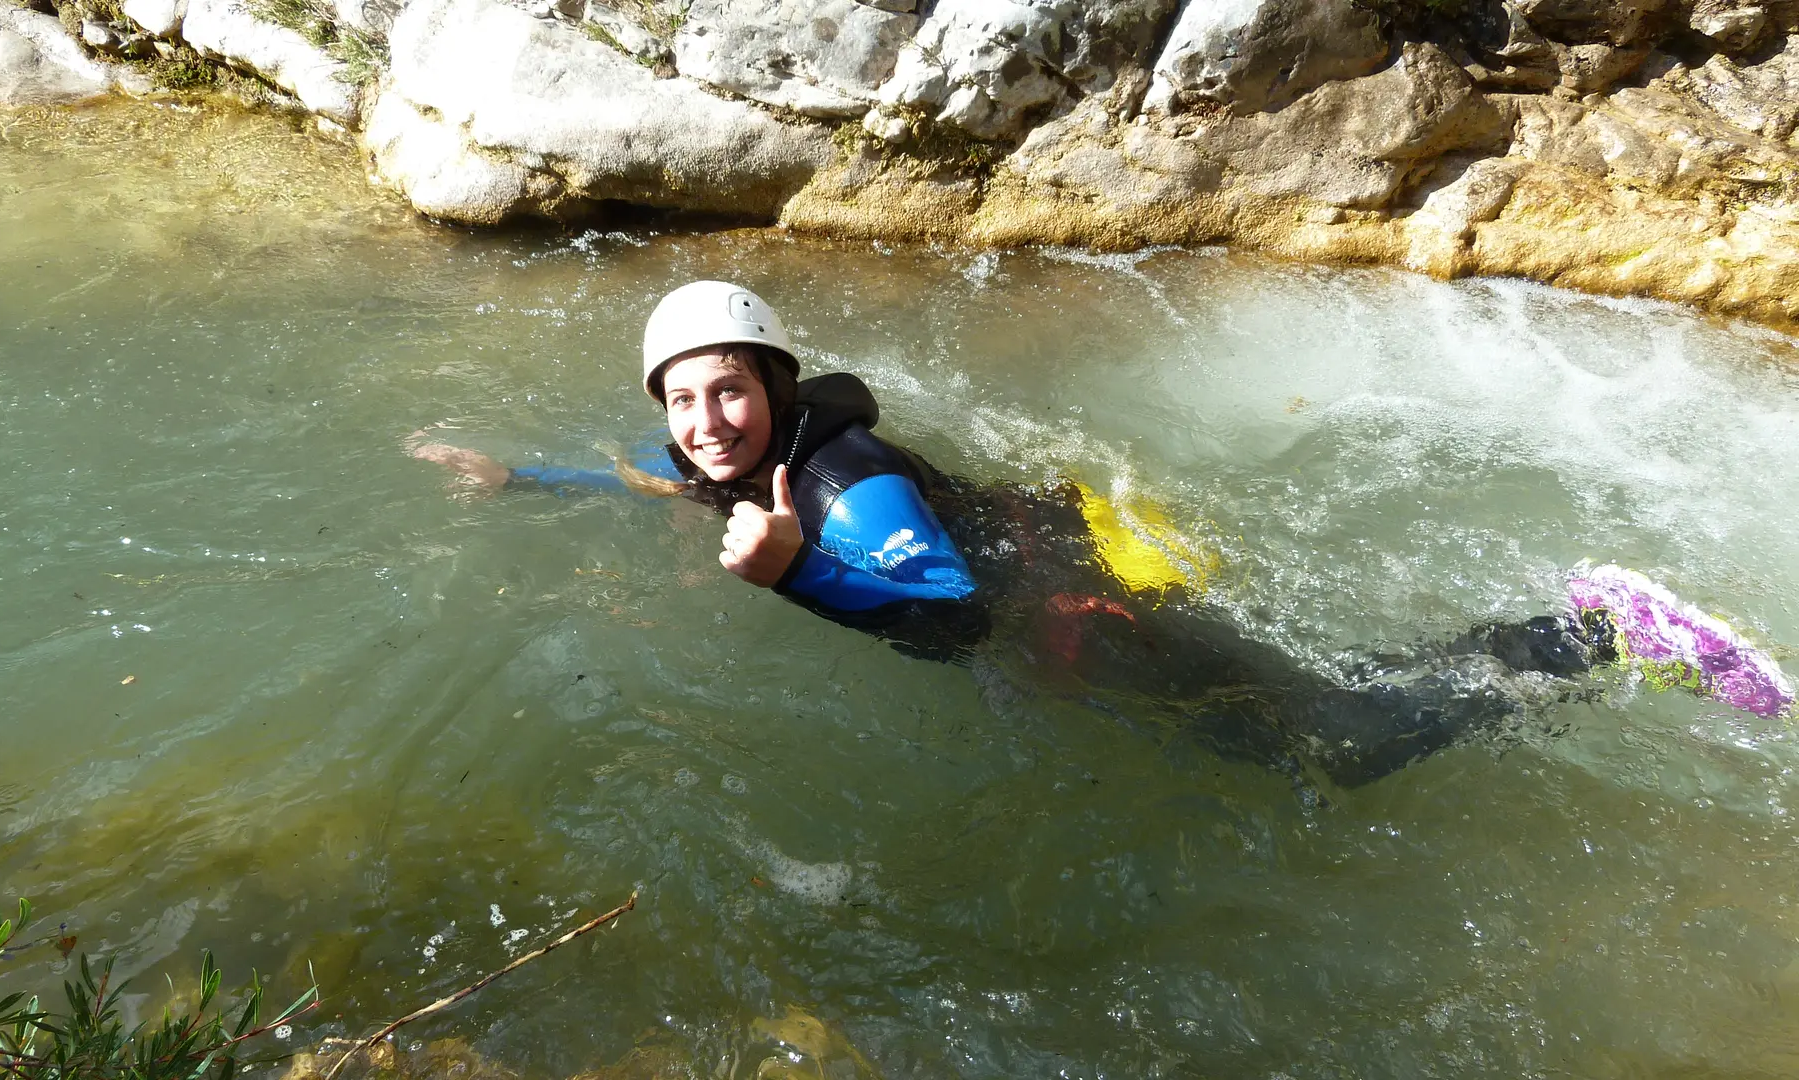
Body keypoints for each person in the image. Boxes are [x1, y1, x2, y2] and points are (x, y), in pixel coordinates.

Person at [413, 281, 1795, 788]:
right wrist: (524, 480)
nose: (707, 422)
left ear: (779, 389)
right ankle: (1583, 631)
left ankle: (1602, 630)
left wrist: (794, 585)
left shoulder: (842, 489)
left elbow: (946, 611)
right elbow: (671, 486)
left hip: (1078, 611)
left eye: (731, 389)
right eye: (685, 399)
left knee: (1329, 744)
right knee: (1302, 729)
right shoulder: (732, 461)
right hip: (1057, 566)